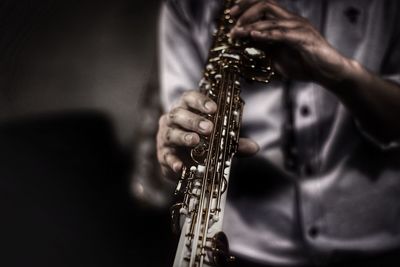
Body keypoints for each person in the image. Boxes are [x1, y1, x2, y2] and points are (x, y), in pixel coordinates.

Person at [156, 0, 400, 266]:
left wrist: (343, 75)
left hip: (379, 244)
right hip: (247, 249)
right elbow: (181, 128)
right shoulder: (186, 5)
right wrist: (180, 141)